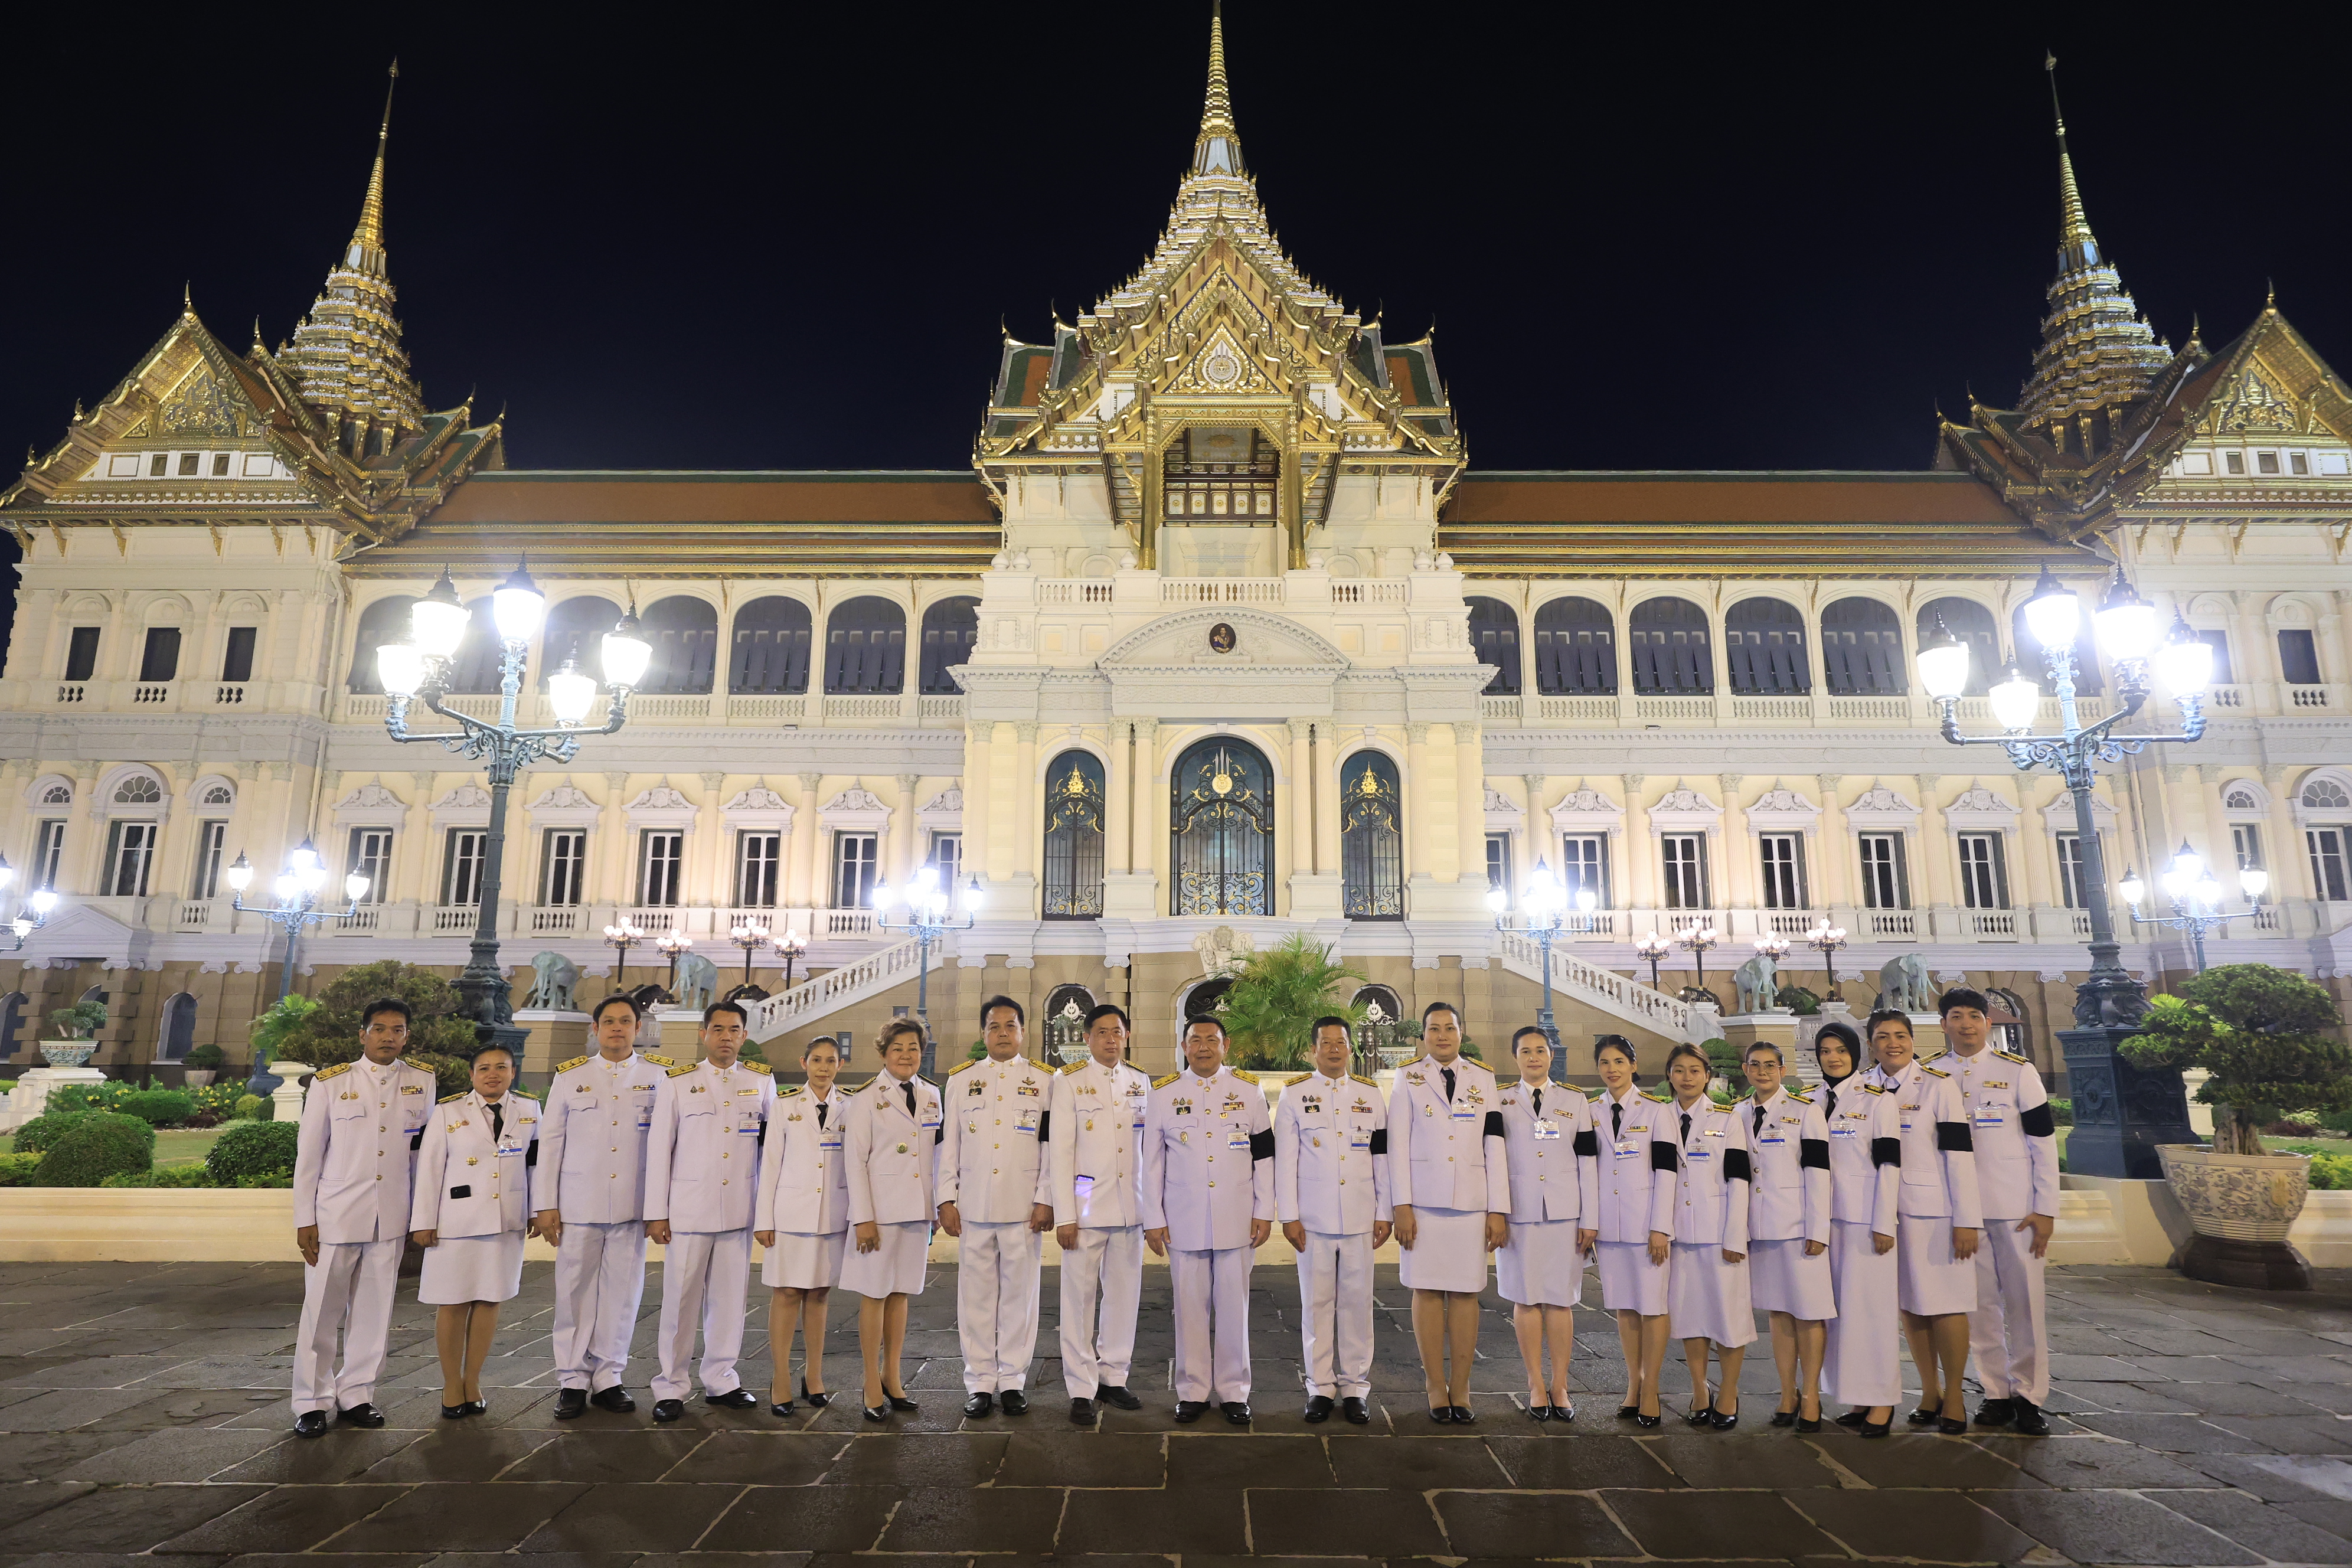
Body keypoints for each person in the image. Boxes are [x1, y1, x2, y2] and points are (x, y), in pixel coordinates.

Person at [289, 997, 438, 1437]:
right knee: (321, 1312)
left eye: (397, 1030)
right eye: (379, 1029)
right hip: (336, 1214)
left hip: (390, 1214)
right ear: (362, 1034)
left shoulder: (421, 1081)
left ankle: (357, 1394)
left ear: (407, 1035)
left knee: (374, 1312)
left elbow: (422, 1156)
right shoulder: (332, 1083)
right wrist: (305, 1218)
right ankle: (312, 1401)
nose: (388, 1037)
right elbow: (309, 1157)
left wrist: (421, 1214)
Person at [533, 994, 675, 1419]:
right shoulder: (570, 1077)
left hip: (632, 1204)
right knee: (574, 1293)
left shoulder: (660, 1077)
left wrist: (658, 1208)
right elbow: (551, 1143)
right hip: (578, 1203)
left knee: (623, 1294)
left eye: (626, 1021)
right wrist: (545, 1204)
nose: (617, 1028)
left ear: (637, 1029)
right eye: (608, 1021)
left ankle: (610, 1376)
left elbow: (666, 1147)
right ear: (594, 1030)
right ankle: (573, 1379)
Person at [643, 999, 775, 1423]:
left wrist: (768, 1212)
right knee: (680, 1299)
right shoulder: (679, 1083)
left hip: (739, 1208)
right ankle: (671, 1384)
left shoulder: (760, 1082)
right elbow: (659, 1150)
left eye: (734, 1030)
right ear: (704, 1035)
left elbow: (771, 1153)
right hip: (689, 1209)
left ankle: (721, 1377)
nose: (726, 1037)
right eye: (718, 1029)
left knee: (730, 1299)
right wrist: (656, 1212)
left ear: (744, 1036)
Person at [1936, 988, 2059, 1436]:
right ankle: (1995, 1391)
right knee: (1979, 1306)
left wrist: (2045, 1208)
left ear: (1988, 1023)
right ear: (1944, 1024)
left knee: (2026, 1303)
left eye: (1974, 1016)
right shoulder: (1935, 1074)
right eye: (1956, 1017)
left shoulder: (2017, 1071)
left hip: (2016, 1208)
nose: (1966, 1024)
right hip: (1961, 1211)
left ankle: (2030, 1394)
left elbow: (2043, 1143)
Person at [1142, 1014, 1273, 1425]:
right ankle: (1193, 1390)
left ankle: (1235, 1390)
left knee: (1235, 1307)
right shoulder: (1163, 1093)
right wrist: (1153, 1218)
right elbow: (1151, 1162)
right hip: (1184, 1217)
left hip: (1237, 1217)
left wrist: (1264, 1209)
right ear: (1184, 1047)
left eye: (1211, 1040)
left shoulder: (1249, 1091)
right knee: (1189, 1307)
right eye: (1195, 1040)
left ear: (1225, 1046)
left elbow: (1265, 1157)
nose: (1203, 1047)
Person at [1386, 1001, 1510, 1423]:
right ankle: (1435, 1384)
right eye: (1434, 1029)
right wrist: (1400, 1204)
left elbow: (1494, 1144)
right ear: (1423, 1036)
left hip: (1472, 1203)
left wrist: (1499, 1208)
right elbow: (1397, 1145)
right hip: (1423, 1203)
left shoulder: (1484, 1078)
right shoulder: (1408, 1077)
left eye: (1450, 1028)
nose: (1442, 1036)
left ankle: (1462, 1386)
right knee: (1425, 1291)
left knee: (1465, 1293)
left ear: (1461, 1033)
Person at [1864, 1007, 1981, 1436]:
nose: (1892, 1043)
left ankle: (1954, 1396)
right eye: (1882, 1037)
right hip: (1882, 1214)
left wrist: (1966, 1219)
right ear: (1871, 1044)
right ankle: (1929, 1391)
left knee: (1946, 1305)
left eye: (1900, 1035)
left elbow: (1959, 1154)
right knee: (1911, 1305)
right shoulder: (1863, 1088)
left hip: (1934, 1213)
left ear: (1913, 1040)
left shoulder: (1938, 1087)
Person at [937, 996, 1056, 1417]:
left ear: (1023, 1032)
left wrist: (1046, 1198)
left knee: (1020, 1297)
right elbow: (948, 1145)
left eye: (1010, 1026)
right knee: (976, 1298)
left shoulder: (1045, 1081)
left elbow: (1050, 1147)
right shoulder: (961, 1081)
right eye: (994, 1026)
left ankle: (1013, 1380)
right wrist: (945, 1199)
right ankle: (980, 1381)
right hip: (973, 1205)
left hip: (1023, 1207)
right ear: (983, 1033)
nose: (1002, 1033)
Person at [411, 1043, 538, 1418]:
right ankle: (452, 1381)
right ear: (472, 1075)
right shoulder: (448, 1111)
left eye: (501, 1068)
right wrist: (424, 1221)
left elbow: (537, 1164)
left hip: (505, 1220)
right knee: (452, 1302)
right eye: (484, 1068)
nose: (492, 1074)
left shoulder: (530, 1110)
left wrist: (537, 1209)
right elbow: (430, 1167)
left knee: (489, 1300)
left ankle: (473, 1380)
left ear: (513, 1073)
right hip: (456, 1221)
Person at [1275, 1015, 1391, 1425]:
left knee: (1358, 1304)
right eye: (1326, 1043)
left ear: (1350, 1047)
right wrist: (1288, 1216)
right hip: (1314, 1218)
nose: (1335, 1049)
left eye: (1341, 1042)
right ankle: (1320, 1387)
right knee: (1317, 1303)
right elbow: (1285, 1164)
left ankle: (1356, 1386)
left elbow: (1382, 1159)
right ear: (1313, 1050)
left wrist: (1385, 1210)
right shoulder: (1294, 1096)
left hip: (1360, 1216)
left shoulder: (1371, 1096)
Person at [1050, 1002, 1151, 1423]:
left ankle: (1114, 1376)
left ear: (1126, 1037)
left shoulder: (1141, 1082)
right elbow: (1060, 1151)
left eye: (1118, 1032)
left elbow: (1149, 1151)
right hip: (1086, 1208)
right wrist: (1065, 1215)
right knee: (1079, 1299)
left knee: (1124, 1298)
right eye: (1103, 1032)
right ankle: (1080, 1387)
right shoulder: (1069, 1081)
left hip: (1131, 1207)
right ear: (1088, 1039)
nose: (1111, 1039)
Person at [1494, 1025, 1595, 1422]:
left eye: (1540, 1050)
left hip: (1564, 1215)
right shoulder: (1499, 1100)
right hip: (1519, 1213)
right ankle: (1535, 1382)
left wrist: (1591, 1218)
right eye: (1525, 1051)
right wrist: (1497, 1211)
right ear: (1515, 1056)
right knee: (1526, 1297)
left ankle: (1560, 1384)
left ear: (1551, 1056)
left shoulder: (1574, 1100)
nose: (1533, 1057)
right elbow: (1492, 1160)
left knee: (1560, 1299)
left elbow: (1588, 1162)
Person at [844, 1017, 942, 1420]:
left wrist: (936, 1207)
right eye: (898, 1048)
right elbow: (855, 1162)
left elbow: (936, 1157)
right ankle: (870, 1381)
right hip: (880, 1213)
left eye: (914, 1048)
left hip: (917, 1211)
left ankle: (893, 1376)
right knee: (875, 1294)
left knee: (901, 1293)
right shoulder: (866, 1096)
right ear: (884, 1052)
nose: (906, 1055)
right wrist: (863, 1218)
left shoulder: (933, 1094)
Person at [1737, 1039, 1835, 1433]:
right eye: (1755, 1065)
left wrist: (1819, 1228)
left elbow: (1819, 1173)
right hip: (1761, 1230)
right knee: (1778, 1314)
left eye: (1770, 1065)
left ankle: (1810, 1394)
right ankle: (1786, 1393)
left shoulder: (1805, 1112)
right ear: (1745, 1070)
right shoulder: (1738, 1114)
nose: (1762, 1072)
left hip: (1798, 1228)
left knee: (1809, 1313)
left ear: (1782, 1069)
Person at [1813, 1020, 1902, 1438]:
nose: (1833, 1057)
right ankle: (1857, 1396)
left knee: (1874, 1312)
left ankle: (1883, 1401)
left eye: (1840, 1050)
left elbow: (1889, 1164)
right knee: (1840, 1315)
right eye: (1826, 1051)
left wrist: (1885, 1220)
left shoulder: (1877, 1100)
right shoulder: (1811, 1101)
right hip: (1824, 1222)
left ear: (1855, 1054)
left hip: (1866, 1221)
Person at [753, 1035, 851, 1415]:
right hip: (790, 1214)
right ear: (804, 1062)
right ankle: (780, 1379)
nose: (823, 1067)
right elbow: (771, 1164)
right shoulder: (785, 1106)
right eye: (816, 1060)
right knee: (787, 1294)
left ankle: (814, 1376)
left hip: (832, 1214)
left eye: (830, 1060)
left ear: (840, 1065)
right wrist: (765, 1219)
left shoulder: (851, 1106)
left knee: (821, 1295)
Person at [1584, 1034, 1675, 1427]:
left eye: (1620, 1061)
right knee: (1625, 1309)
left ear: (1633, 1065)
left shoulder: (1657, 1111)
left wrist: (1660, 1228)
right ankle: (1634, 1386)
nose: (1612, 1069)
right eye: (1605, 1062)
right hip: (1610, 1226)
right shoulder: (1590, 1111)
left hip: (1645, 1225)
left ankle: (1651, 1388)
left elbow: (1668, 1172)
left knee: (1653, 1307)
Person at [1662, 1041, 1753, 1430]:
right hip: (1678, 1236)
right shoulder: (1659, 1116)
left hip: (1720, 1236)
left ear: (1707, 1076)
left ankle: (1729, 1392)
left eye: (1694, 1071)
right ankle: (1700, 1391)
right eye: (1679, 1070)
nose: (1687, 1078)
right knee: (1689, 1319)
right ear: (1670, 1074)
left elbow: (1739, 1178)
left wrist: (1736, 1236)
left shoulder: (1727, 1118)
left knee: (1728, 1319)